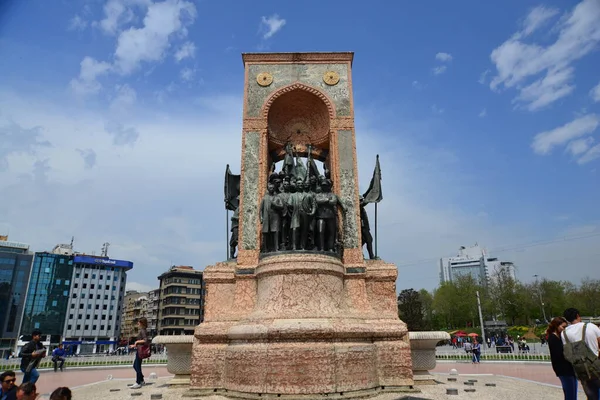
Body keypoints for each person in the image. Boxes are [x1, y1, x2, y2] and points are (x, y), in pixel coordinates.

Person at [562, 308, 600, 400]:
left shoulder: (564, 333)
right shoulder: (590, 326)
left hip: (581, 369)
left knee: (591, 395)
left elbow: (567, 352)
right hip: (596, 365)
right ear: (578, 315)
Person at [547, 317, 577, 400]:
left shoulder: (560, 336)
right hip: (563, 369)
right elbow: (558, 354)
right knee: (570, 392)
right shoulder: (553, 338)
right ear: (556, 326)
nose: (564, 329)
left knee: (572, 391)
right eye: (563, 327)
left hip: (568, 368)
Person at [129, 317, 149, 389]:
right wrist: (134, 345)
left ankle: (138, 382)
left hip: (140, 351)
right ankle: (142, 380)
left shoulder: (143, 330)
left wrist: (137, 342)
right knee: (135, 365)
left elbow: (145, 340)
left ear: (141, 323)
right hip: (139, 350)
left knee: (137, 366)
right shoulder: (142, 330)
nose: (137, 323)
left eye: (139, 322)